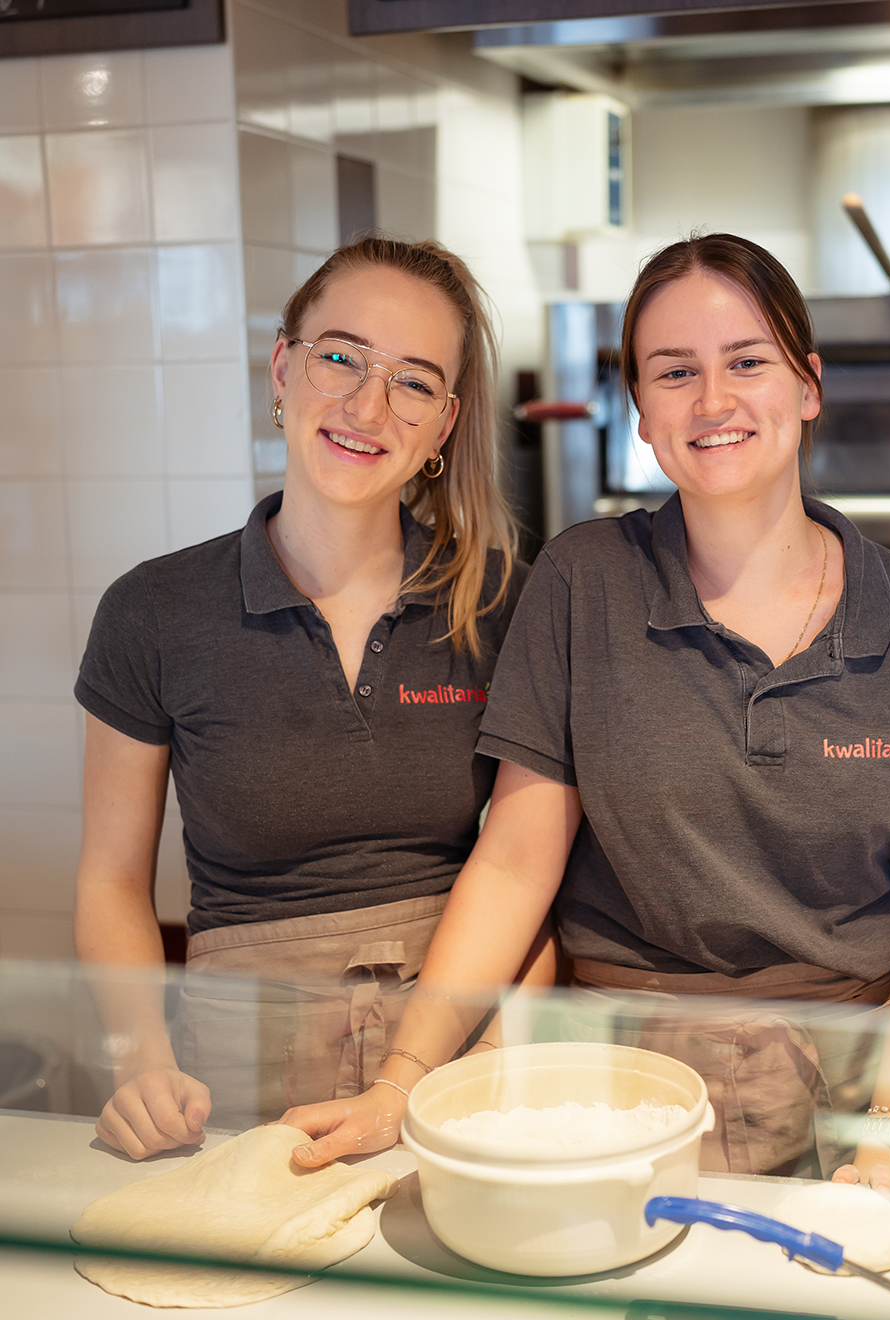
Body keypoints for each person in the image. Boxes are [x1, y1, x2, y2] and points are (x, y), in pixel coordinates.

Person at [283, 234, 890, 1192]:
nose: (712, 402)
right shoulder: (581, 581)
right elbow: (515, 864)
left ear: (808, 385)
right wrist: (402, 1082)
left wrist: (889, 1138)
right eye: (674, 372)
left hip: (866, 1082)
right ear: (640, 413)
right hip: (607, 1090)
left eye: (747, 362)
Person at [73, 237, 552, 1161]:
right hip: (241, 1075)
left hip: (455, 1057)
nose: (367, 406)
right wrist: (139, 1060)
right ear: (282, 368)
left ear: (444, 426)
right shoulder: (153, 611)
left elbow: (531, 865)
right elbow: (109, 882)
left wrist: (499, 1058)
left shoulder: (505, 601)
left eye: (413, 382)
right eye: (341, 357)